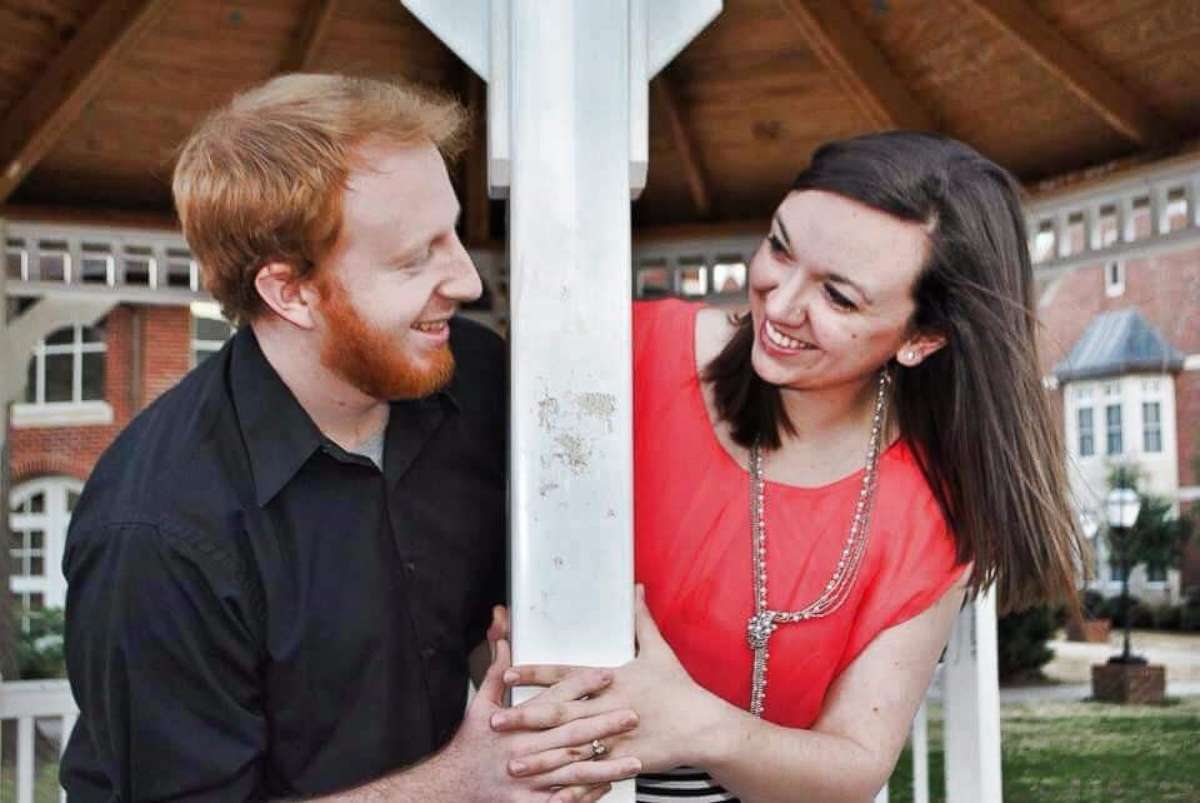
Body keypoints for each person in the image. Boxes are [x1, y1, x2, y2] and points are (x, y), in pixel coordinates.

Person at [60, 74, 642, 802]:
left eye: (453, 233)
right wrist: (463, 783)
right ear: (289, 291)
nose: (466, 279)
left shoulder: (475, 377)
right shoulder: (155, 535)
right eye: (414, 257)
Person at [494, 132, 1086, 802]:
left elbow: (857, 760)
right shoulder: (627, 352)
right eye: (780, 247)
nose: (778, 304)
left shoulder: (928, 512)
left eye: (838, 297)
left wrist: (700, 726)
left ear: (921, 339)